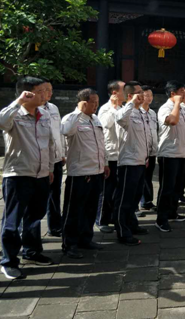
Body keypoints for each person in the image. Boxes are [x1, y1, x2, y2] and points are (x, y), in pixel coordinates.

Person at [0, 77, 54, 280]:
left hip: (41, 175)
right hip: (19, 175)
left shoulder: (44, 114)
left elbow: (49, 144)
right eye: (40, 91)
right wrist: (18, 102)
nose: (44, 95)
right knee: (12, 221)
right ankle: (8, 261)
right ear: (26, 93)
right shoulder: (14, 114)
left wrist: (50, 168)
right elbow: (1, 122)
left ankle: (31, 252)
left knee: (35, 216)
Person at [61, 89, 109, 258]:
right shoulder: (71, 118)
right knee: (74, 210)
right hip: (80, 172)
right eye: (92, 102)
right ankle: (70, 244)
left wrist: (105, 163)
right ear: (83, 102)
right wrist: (78, 112)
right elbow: (66, 131)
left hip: (97, 170)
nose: (96, 105)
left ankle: (86, 239)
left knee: (91, 208)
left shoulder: (95, 119)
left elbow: (101, 143)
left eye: (97, 102)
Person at [114, 81, 152, 246]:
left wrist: (147, 156)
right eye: (139, 92)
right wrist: (131, 103)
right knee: (124, 199)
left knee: (135, 198)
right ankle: (122, 232)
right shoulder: (125, 112)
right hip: (129, 163)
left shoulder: (141, 113)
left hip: (141, 161)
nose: (142, 95)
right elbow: (120, 119)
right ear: (130, 95)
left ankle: (131, 224)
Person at [155, 81, 185, 232]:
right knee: (166, 188)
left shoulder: (182, 108)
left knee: (177, 186)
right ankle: (161, 219)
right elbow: (173, 121)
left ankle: (172, 212)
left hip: (181, 152)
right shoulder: (166, 108)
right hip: (168, 153)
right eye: (182, 92)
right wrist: (176, 103)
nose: (184, 94)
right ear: (173, 94)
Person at [96, 80, 125, 233]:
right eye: (124, 89)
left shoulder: (123, 108)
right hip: (110, 155)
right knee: (107, 190)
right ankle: (102, 219)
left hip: (122, 155)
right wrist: (114, 108)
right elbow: (106, 124)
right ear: (115, 92)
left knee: (118, 190)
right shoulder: (105, 109)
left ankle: (114, 216)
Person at [41, 79, 66, 237]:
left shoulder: (53, 108)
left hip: (56, 159)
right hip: (41, 161)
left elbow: (58, 132)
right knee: (39, 198)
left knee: (55, 195)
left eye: (51, 89)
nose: (50, 93)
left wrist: (62, 152)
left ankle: (55, 226)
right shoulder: (33, 109)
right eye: (46, 90)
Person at [139, 86, 158, 212]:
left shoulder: (152, 113)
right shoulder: (136, 112)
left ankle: (147, 201)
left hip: (152, 150)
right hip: (141, 151)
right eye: (147, 95)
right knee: (141, 178)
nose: (149, 98)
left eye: (151, 95)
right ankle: (141, 202)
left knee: (148, 177)